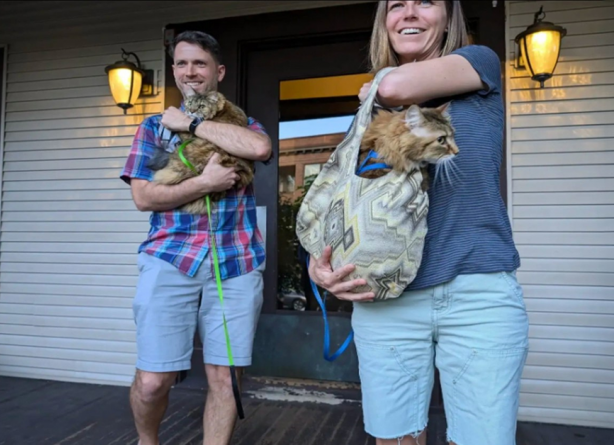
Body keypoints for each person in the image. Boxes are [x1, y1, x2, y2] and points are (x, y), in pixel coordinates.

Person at [307, 1, 528, 444]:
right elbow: (346, 201)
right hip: (387, 298)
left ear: (448, 16)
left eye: (424, 2)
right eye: (396, 5)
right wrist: (322, 261)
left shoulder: (478, 64)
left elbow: (395, 85)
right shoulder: (369, 114)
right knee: (396, 440)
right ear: (383, 21)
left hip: (476, 294)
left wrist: (375, 84)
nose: (408, 13)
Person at [120, 30, 271, 445]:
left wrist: (191, 123)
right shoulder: (153, 128)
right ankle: (146, 441)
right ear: (173, 71)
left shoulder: (243, 123)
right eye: (183, 63)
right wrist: (204, 184)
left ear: (218, 72)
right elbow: (143, 196)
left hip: (236, 261)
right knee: (153, 380)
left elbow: (259, 148)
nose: (191, 71)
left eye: (200, 63)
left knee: (225, 377)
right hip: (170, 257)